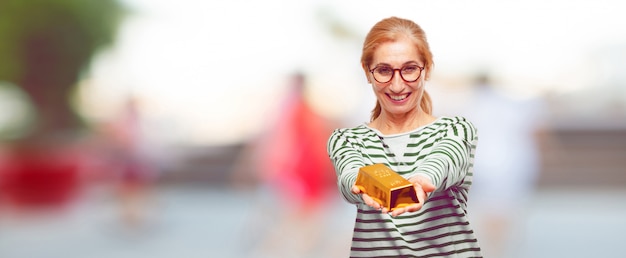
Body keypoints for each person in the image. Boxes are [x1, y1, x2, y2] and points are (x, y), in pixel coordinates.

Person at [327, 17, 483, 257]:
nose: (397, 85)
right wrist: (358, 184)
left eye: (409, 69)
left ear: (427, 69)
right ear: (367, 72)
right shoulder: (347, 140)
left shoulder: (456, 129)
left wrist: (423, 179)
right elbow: (349, 172)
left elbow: (447, 156)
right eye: (384, 70)